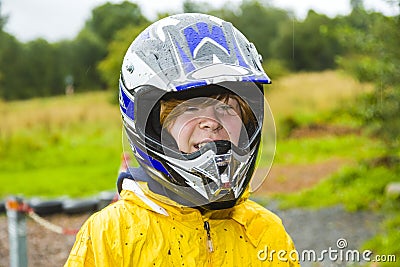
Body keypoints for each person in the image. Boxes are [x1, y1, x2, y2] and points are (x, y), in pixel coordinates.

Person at [65, 13, 299, 266]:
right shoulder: (109, 236)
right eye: (189, 109)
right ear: (153, 127)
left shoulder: (266, 232)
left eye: (226, 109)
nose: (211, 121)